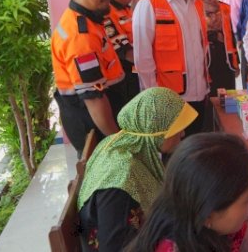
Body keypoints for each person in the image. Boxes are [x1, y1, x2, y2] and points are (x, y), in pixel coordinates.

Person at [78, 87, 195, 252]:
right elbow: (113, 246)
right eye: (176, 128)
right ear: (154, 131)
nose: (182, 133)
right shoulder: (122, 180)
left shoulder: (121, 142)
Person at [133, 0, 211, 136]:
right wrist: (156, 102)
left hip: (199, 95)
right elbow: (143, 61)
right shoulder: (149, 5)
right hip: (169, 101)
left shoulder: (197, 3)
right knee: (173, 157)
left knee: (195, 151)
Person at [51, 0, 125, 155]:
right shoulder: (80, 36)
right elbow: (94, 99)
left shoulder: (90, 19)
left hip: (95, 120)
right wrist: (119, 142)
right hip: (93, 127)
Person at [194, 0, 240, 95]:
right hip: (205, 60)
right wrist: (213, 35)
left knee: (227, 97)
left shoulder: (224, 8)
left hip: (224, 60)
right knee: (209, 98)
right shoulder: (193, 9)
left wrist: (236, 62)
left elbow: (230, 36)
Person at [107, 0, 142, 103]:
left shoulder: (127, 10)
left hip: (134, 73)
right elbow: (126, 53)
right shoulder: (108, 13)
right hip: (122, 77)